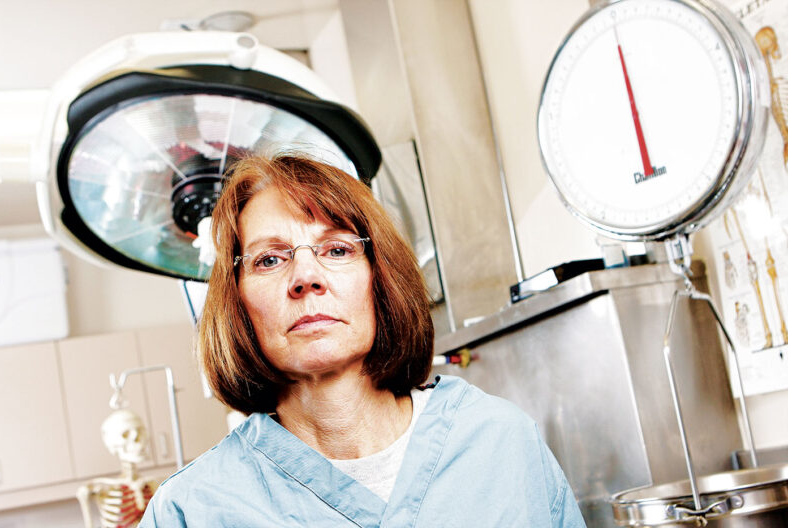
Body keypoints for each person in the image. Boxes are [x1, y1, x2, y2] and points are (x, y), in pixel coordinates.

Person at [139, 155, 586, 527]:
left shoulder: (501, 443)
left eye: (336, 250)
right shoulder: (193, 511)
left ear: (380, 278)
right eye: (269, 259)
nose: (306, 277)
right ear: (236, 301)